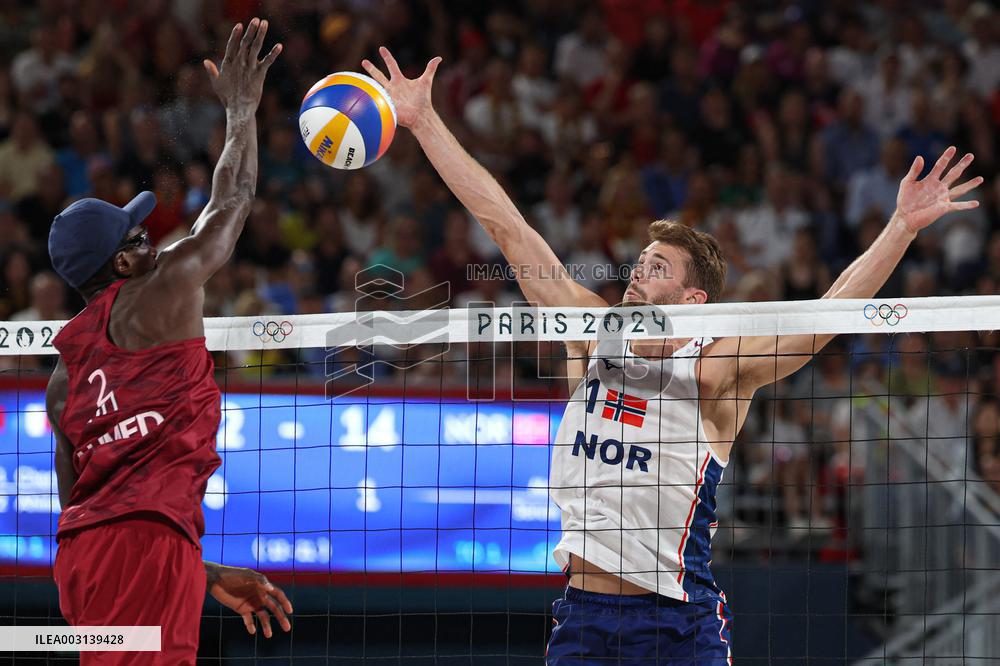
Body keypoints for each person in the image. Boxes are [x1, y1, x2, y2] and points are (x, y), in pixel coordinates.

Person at [362, 47, 983, 664]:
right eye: (638, 262)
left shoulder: (718, 368)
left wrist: (899, 227)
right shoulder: (591, 334)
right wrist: (422, 122)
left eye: (655, 268)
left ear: (693, 298)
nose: (635, 274)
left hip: (678, 622)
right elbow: (508, 227)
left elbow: (822, 320)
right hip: (582, 615)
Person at [45, 19, 291, 664]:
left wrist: (200, 575)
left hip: (85, 563)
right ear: (121, 266)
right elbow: (232, 200)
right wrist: (241, 109)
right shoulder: (164, 289)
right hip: (146, 552)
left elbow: (85, 506)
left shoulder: (60, 380)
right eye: (137, 237)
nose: (151, 239)